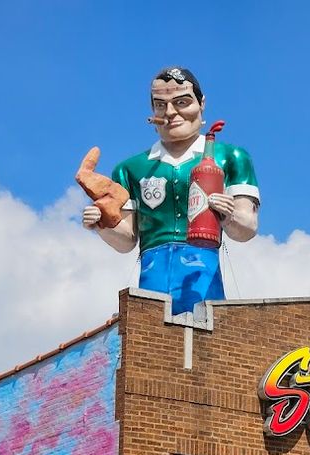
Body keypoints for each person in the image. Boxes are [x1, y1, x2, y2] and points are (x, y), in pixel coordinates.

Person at [80, 66, 259, 314]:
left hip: (204, 278)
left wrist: (229, 215)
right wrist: (102, 222)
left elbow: (247, 227)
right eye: (160, 105)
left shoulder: (231, 157)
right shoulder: (130, 168)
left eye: (182, 102)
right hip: (152, 273)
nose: (171, 112)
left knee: (207, 333)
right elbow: (126, 240)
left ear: (201, 103)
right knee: (150, 336)